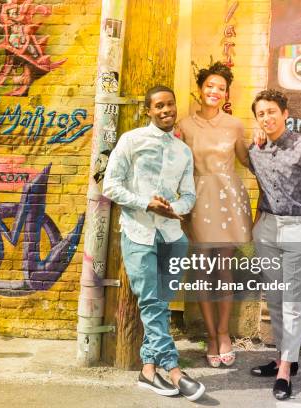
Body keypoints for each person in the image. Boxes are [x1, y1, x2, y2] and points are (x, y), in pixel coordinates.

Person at [103, 85, 206, 401]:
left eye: (170, 105)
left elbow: (189, 194)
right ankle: (174, 371)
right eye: (159, 106)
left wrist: (176, 209)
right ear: (148, 110)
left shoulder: (183, 151)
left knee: (159, 305)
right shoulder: (131, 141)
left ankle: (148, 371)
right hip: (139, 234)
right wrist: (147, 203)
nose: (166, 111)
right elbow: (110, 186)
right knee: (151, 302)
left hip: (173, 238)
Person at [247, 89, 301, 400]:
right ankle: (284, 358)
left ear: (284, 113)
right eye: (261, 114)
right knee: (276, 301)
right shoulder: (255, 150)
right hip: (266, 228)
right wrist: (255, 226)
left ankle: (284, 372)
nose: (267, 118)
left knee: (293, 302)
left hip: (297, 229)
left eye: (271, 112)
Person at [177, 61, 253, 368]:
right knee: (201, 272)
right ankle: (210, 336)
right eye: (210, 86)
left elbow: (246, 160)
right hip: (198, 201)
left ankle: (223, 333)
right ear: (200, 89)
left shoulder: (234, 125)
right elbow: (178, 168)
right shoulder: (185, 125)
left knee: (225, 271)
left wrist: (268, 146)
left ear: (226, 94)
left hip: (230, 201)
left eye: (221, 88)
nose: (215, 92)